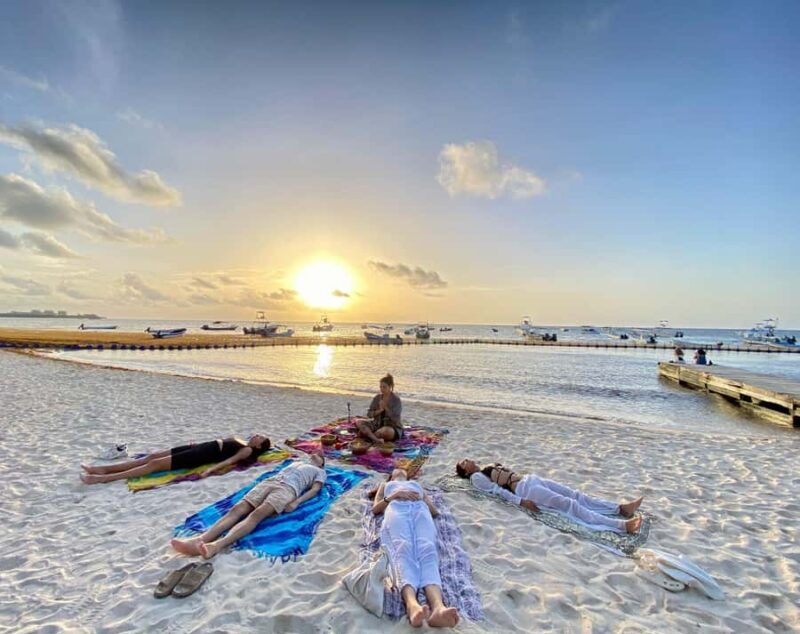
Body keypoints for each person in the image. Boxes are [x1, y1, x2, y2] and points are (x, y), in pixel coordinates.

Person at [171, 454, 327, 559]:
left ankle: (216, 545)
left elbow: (315, 489)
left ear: (321, 464)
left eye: (319, 456)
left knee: (257, 514)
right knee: (237, 509)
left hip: (288, 489)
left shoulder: (320, 471)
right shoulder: (297, 462)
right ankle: (200, 539)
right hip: (270, 482)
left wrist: (296, 502)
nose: (316, 455)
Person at [455, 459, 643, 534]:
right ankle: (621, 525)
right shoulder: (476, 478)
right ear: (465, 471)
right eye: (464, 463)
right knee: (570, 504)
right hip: (524, 490)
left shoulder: (483, 467)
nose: (468, 460)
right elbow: (497, 491)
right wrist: (522, 502)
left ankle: (620, 509)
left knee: (574, 494)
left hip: (530, 480)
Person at [372, 469, 459, 628]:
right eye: (396, 468)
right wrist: (395, 495)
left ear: (408, 475)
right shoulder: (386, 485)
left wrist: (423, 499)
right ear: (391, 475)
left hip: (420, 509)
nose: (400, 468)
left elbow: (434, 511)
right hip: (396, 508)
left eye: (404, 469)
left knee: (428, 549)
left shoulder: (416, 485)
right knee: (402, 549)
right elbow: (375, 509)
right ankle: (412, 606)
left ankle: (438, 608)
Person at [80, 435, 271, 484]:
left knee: (154, 464)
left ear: (258, 447)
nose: (257, 436)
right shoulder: (244, 441)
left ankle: (103, 478)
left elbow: (229, 461)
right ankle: (104, 469)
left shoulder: (247, 450)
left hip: (201, 455)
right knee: (152, 457)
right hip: (198, 447)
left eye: (260, 438)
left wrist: (209, 470)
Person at [357, 373, 403, 442]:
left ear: (390, 387)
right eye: (380, 387)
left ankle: (369, 435)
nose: (382, 389)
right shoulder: (377, 398)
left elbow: (395, 419)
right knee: (359, 422)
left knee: (386, 432)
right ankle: (375, 439)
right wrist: (379, 411)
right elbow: (369, 414)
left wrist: (386, 407)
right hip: (376, 425)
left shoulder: (396, 400)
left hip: (391, 427)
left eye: (384, 387)